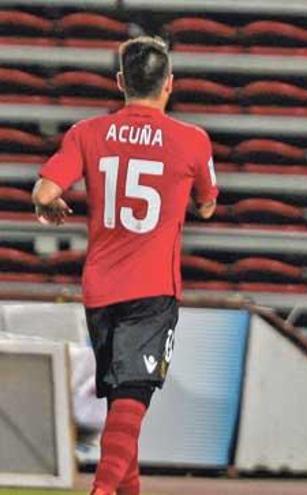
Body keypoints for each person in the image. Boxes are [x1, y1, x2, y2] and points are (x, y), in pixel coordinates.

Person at [32, 36, 218, 495]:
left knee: (121, 403)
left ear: (120, 82)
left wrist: (51, 207)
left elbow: (42, 192)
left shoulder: (86, 132)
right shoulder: (192, 139)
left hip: (100, 288)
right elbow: (208, 205)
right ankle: (101, 490)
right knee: (133, 398)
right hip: (153, 287)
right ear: (169, 84)